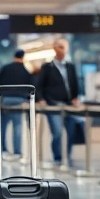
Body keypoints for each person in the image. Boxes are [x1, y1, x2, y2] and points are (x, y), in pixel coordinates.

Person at [37, 38, 80, 166]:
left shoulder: (70, 67)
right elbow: (39, 85)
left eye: (64, 47)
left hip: (69, 104)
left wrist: (75, 97)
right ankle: (58, 157)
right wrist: (41, 99)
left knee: (71, 131)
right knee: (57, 132)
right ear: (54, 48)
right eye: (60, 47)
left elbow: (75, 83)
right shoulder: (47, 67)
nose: (62, 50)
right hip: (53, 103)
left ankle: (68, 154)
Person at [0, 49, 34, 158]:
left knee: (2, 126)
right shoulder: (25, 71)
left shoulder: (5, 68)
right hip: (19, 101)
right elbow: (30, 87)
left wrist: (0, 98)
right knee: (17, 126)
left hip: (6, 100)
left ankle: (2, 150)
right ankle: (17, 152)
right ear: (23, 57)